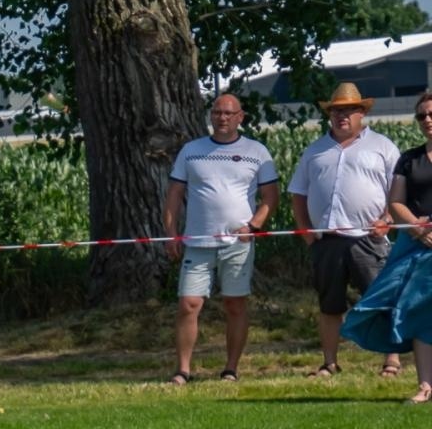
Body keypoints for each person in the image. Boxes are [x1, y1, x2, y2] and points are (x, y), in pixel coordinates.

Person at [161, 94, 279, 384]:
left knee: (235, 305)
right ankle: (183, 370)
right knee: (188, 304)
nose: (222, 118)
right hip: (197, 243)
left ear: (240, 117)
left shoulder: (257, 151)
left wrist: (254, 226)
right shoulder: (191, 150)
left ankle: (231, 369)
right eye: (216, 113)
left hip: (238, 244)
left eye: (228, 113)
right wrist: (171, 233)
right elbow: (175, 194)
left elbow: (270, 197)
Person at [288, 82, 403, 378]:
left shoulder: (383, 147)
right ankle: (329, 363)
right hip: (326, 240)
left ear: (362, 113)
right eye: (337, 111)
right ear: (330, 115)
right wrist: (305, 231)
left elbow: (399, 190)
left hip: (369, 239)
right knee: (329, 305)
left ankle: (392, 360)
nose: (342, 116)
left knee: (383, 299)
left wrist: (388, 218)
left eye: (349, 110)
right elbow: (298, 193)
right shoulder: (314, 151)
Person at [342, 90, 432, 403]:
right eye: (421, 115)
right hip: (415, 244)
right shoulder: (409, 159)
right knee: (418, 311)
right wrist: (417, 228)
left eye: (431, 114)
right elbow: (395, 202)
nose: (427, 120)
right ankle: (425, 386)